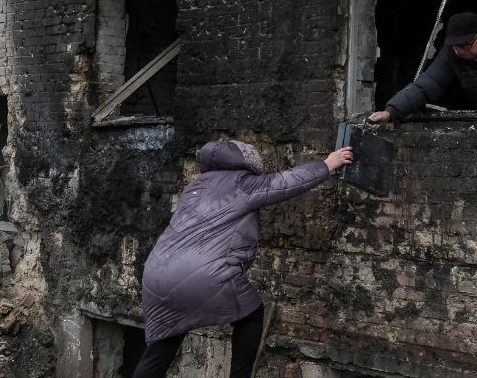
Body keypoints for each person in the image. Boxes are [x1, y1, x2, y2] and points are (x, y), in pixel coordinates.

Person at [134, 140, 354, 378]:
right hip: (203, 273)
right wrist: (327, 164)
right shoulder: (242, 183)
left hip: (155, 275)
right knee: (252, 314)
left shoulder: (195, 187)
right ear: (247, 162)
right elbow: (284, 182)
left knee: (164, 342)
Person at [368, 12, 477, 124]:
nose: (459, 51)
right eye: (455, 46)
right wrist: (391, 111)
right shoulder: (452, 54)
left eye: (465, 46)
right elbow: (427, 83)